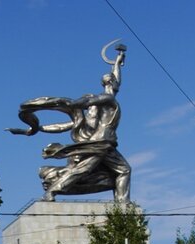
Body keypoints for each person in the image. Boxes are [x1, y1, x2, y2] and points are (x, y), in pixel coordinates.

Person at [8, 42, 131, 202]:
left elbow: (115, 81)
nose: (114, 82)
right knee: (96, 169)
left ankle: (122, 206)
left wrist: (117, 62)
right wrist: (72, 104)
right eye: (111, 80)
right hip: (103, 143)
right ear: (109, 83)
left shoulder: (109, 97)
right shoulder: (107, 100)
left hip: (103, 143)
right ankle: (53, 191)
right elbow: (89, 100)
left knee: (114, 170)